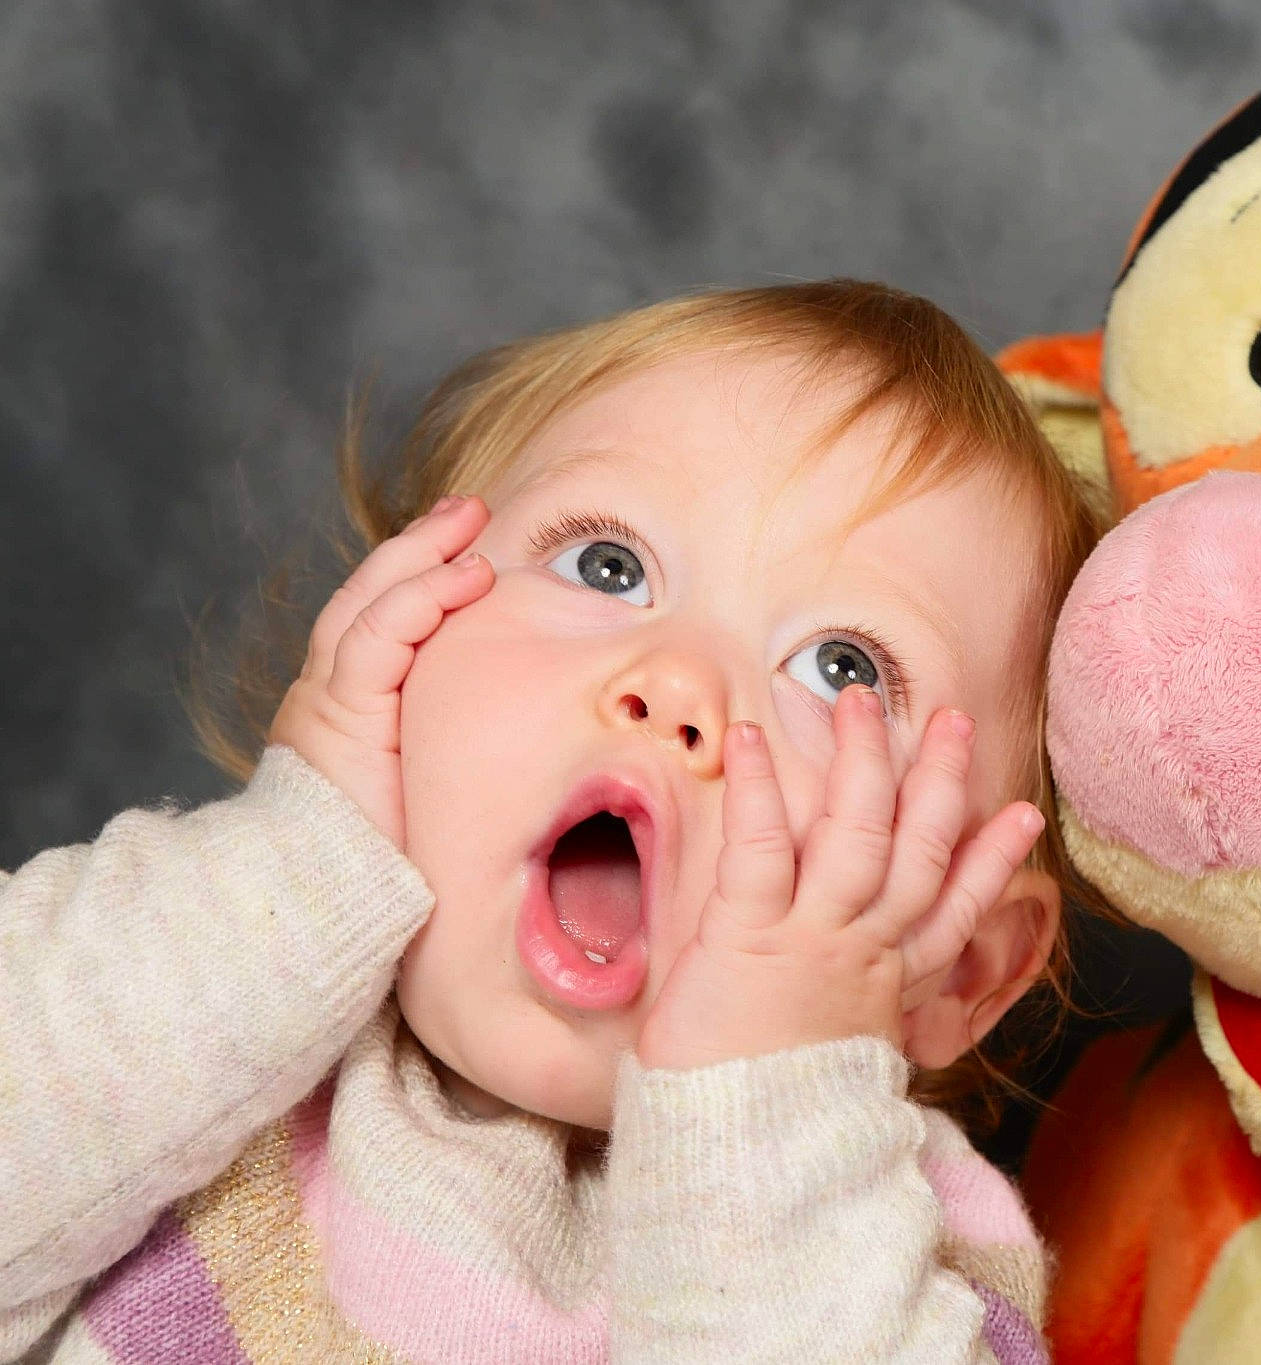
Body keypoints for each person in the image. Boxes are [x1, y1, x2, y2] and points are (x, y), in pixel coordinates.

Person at [0, 280, 1098, 1362]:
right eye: (607, 567)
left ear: (966, 965)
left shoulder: (906, 1265)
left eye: (842, 670)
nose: (677, 684)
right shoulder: (205, 1013)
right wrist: (293, 865)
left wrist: (767, 1107)